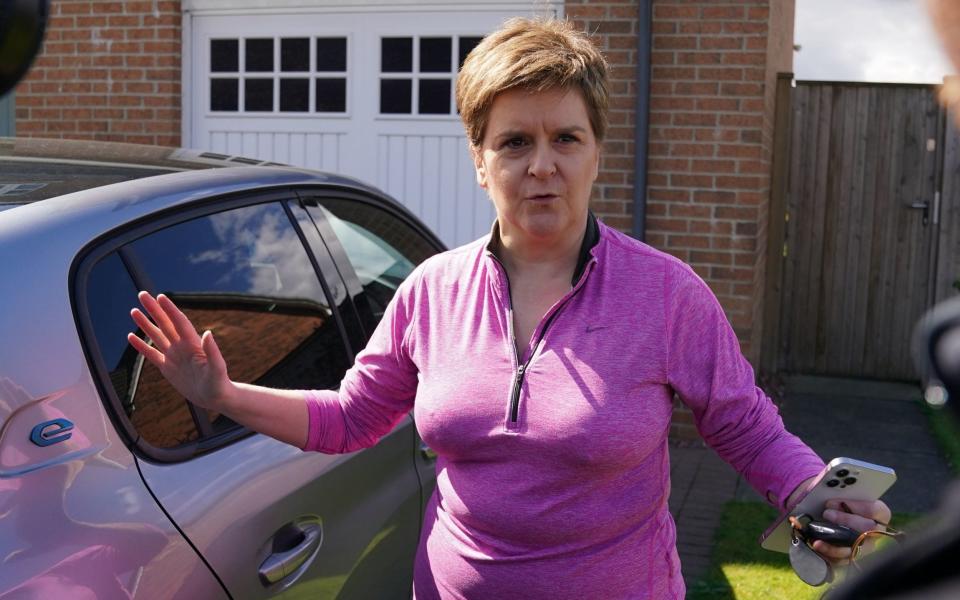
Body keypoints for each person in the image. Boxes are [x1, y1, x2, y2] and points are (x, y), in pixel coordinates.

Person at [128, 18, 889, 598]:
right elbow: (352, 418)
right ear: (479, 159)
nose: (542, 166)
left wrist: (811, 495)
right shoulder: (431, 290)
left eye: (566, 137)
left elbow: (742, 421)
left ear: (596, 152)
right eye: (514, 141)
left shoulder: (665, 294)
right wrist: (222, 396)